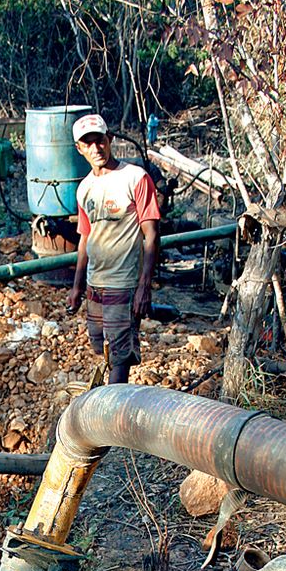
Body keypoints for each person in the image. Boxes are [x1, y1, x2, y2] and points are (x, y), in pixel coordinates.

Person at [67, 113, 160, 384]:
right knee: (100, 346)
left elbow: (152, 234)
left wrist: (144, 286)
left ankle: (113, 404)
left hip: (124, 282)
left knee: (120, 355)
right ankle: (111, 398)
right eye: (88, 144)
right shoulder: (85, 188)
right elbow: (85, 238)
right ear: (79, 149)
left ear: (109, 139)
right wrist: (77, 286)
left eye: (100, 141)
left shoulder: (135, 178)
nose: (96, 148)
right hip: (95, 281)